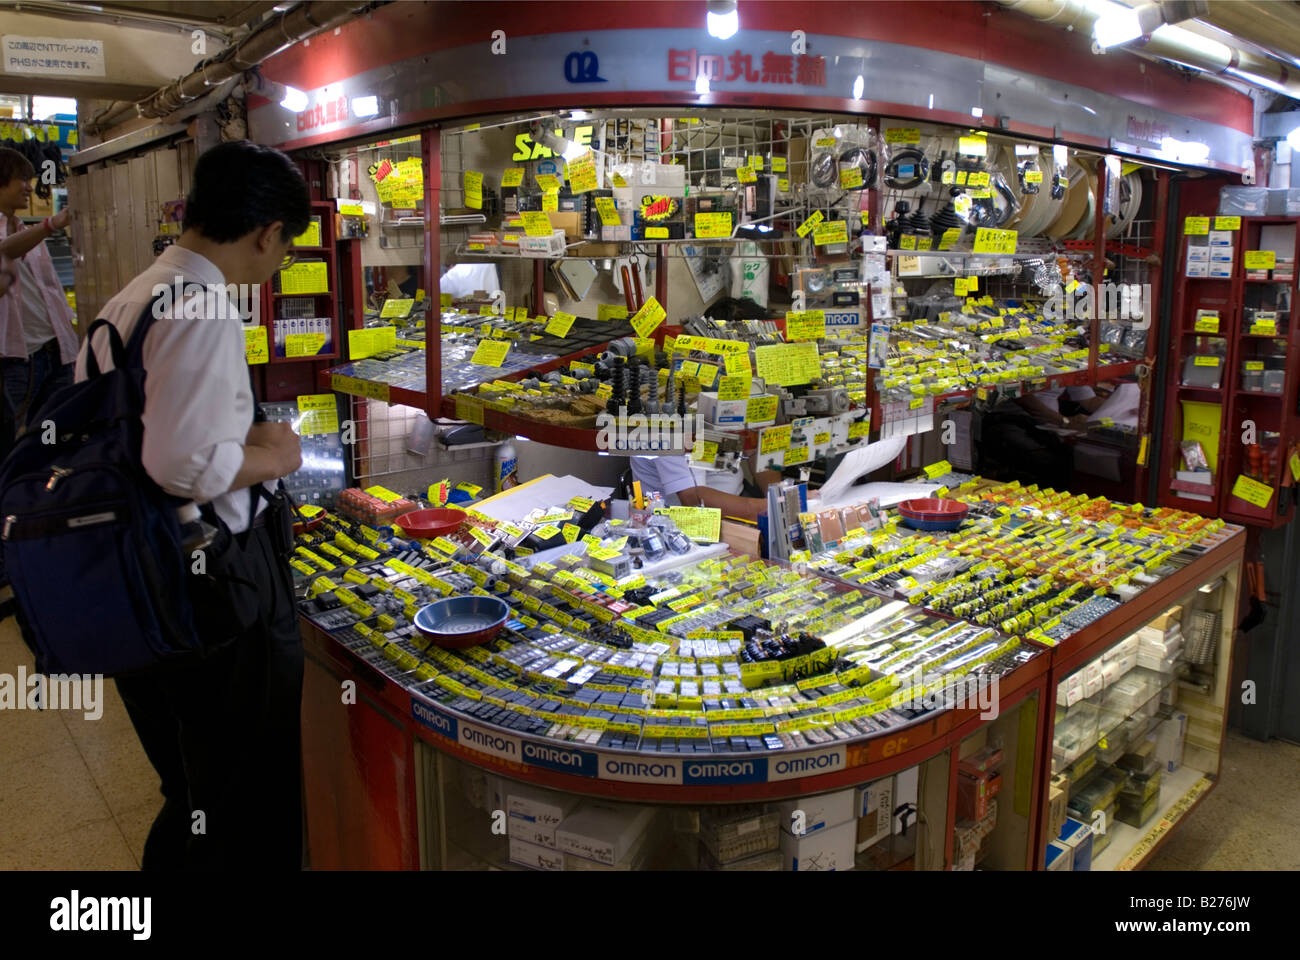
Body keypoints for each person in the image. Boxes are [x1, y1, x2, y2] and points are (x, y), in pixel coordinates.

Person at [76, 140, 310, 870]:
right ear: (267, 232)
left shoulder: (133, 297)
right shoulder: (203, 306)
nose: (276, 263)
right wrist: (276, 455)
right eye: (284, 247)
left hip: (133, 581)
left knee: (193, 788)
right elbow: (184, 464)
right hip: (210, 592)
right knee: (242, 796)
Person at [0, 147, 78, 463]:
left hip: (54, 352)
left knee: (51, 438)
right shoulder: (29, 234)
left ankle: (41, 495)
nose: (30, 187)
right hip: (14, 361)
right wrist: (51, 224)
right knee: (7, 443)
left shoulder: (23, 230)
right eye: (22, 179)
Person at [629, 454, 780, 522]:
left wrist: (779, 491)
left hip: (739, 501)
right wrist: (773, 506)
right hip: (680, 521)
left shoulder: (733, 399)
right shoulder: (669, 422)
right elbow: (692, 497)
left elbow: (756, 450)